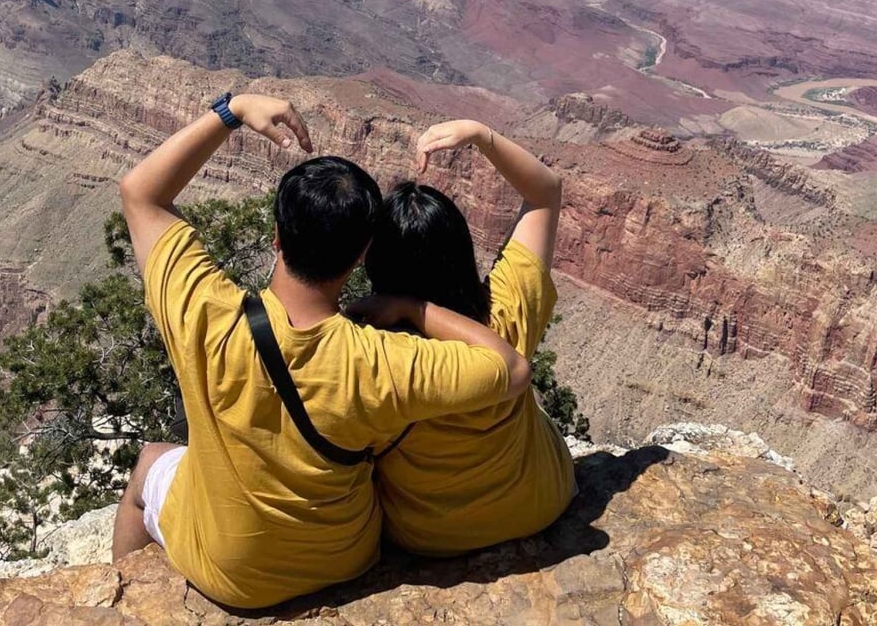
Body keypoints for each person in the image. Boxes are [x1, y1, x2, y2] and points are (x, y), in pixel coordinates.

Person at [110, 92, 532, 609]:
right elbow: (510, 367)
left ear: (276, 238)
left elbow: (141, 193)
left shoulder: (206, 315)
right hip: (345, 558)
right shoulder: (381, 360)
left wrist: (232, 111)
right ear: (360, 256)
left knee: (150, 461)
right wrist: (411, 306)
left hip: (232, 573)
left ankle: (119, 605)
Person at [354, 118, 575, 556]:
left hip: (428, 536)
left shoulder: (371, 354)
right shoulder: (507, 312)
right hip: (539, 503)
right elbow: (546, 192)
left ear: (374, 263)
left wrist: (400, 307)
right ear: (461, 252)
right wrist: (481, 135)